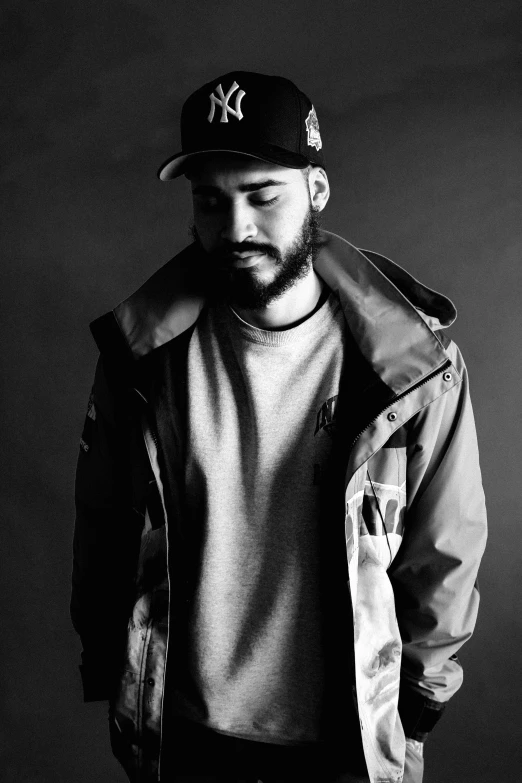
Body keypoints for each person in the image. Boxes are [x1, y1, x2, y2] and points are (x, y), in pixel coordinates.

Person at [71, 71, 487, 783]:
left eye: (263, 197)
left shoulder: (411, 367)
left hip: (347, 741)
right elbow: (104, 525)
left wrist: (415, 707)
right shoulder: (141, 362)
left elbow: (443, 547)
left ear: (316, 193)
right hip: (185, 738)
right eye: (212, 202)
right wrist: (115, 668)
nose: (236, 229)